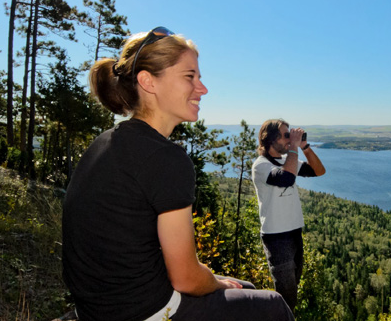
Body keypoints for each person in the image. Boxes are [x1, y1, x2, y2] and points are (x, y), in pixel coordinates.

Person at [62, 27, 294, 321]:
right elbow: (185, 279)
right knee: (273, 306)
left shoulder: (107, 141)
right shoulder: (164, 157)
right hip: (142, 311)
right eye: (190, 76)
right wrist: (215, 281)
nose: (203, 88)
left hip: (98, 307)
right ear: (148, 82)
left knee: (243, 287)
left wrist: (214, 281)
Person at [251, 119, 327, 310]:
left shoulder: (288, 160)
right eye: (286, 135)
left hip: (294, 233)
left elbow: (319, 171)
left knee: (293, 288)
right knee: (287, 295)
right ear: (270, 139)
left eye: (289, 135)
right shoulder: (260, 165)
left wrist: (305, 147)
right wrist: (294, 147)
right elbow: (285, 179)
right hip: (276, 237)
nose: (289, 139)